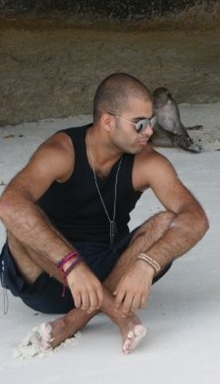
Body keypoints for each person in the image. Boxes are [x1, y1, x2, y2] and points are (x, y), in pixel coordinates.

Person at [0, 73, 209, 354]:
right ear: (108, 122)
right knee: (20, 224)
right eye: (140, 124)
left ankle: (74, 320)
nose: (149, 132)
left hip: (113, 271)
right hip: (49, 277)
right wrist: (72, 266)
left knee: (166, 222)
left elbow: (195, 218)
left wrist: (147, 264)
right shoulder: (62, 151)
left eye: (152, 121)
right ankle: (116, 312)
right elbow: (10, 204)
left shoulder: (147, 162)